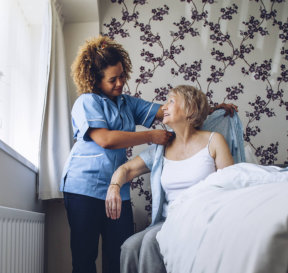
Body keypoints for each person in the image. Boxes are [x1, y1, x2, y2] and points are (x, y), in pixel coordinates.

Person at [60, 35, 236, 273]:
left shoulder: (127, 103)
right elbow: (105, 139)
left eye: (122, 75)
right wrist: (150, 136)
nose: (120, 82)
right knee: (84, 257)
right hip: (83, 187)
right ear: (95, 79)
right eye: (113, 79)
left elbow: (174, 110)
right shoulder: (86, 102)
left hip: (117, 189)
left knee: (118, 254)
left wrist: (211, 109)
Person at [105, 85, 235, 273]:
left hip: (201, 219)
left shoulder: (214, 141)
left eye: (171, 101)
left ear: (190, 109)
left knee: (151, 241)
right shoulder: (161, 149)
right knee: (129, 247)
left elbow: (231, 184)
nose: (163, 107)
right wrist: (114, 186)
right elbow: (126, 169)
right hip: (169, 220)